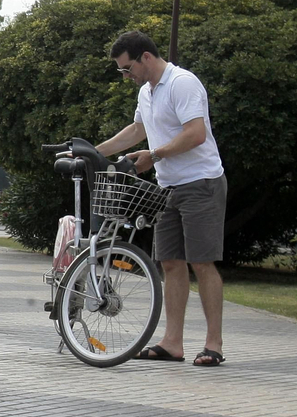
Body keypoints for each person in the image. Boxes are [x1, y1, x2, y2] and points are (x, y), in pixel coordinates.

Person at [94, 30, 227, 366]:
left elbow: (196, 134)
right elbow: (138, 129)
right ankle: (173, 343)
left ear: (146, 58)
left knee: (202, 262)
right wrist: (94, 151)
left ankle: (214, 344)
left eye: (127, 69)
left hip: (201, 183)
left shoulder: (182, 83)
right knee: (170, 262)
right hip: (167, 188)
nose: (126, 76)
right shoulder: (146, 92)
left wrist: (155, 155)